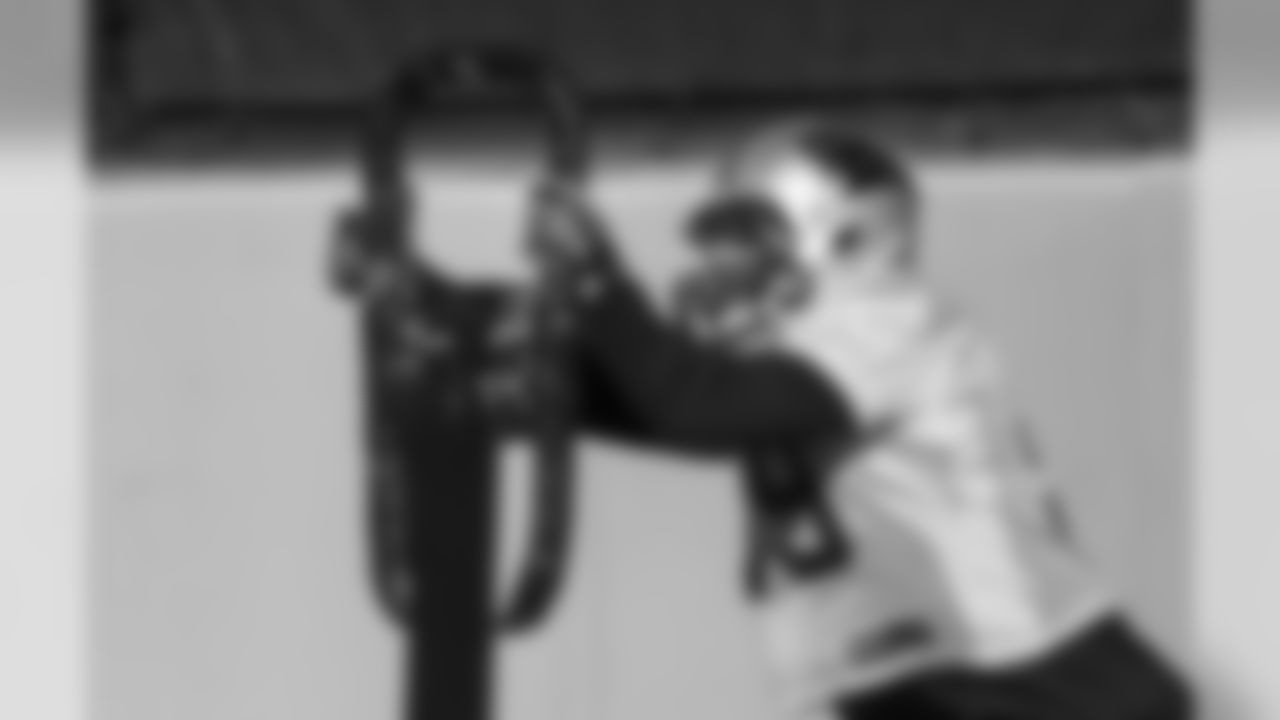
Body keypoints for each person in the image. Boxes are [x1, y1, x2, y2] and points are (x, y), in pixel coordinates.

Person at [338, 120, 1193, 720]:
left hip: (1048, 689)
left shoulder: (894, 319)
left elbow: (695, 404)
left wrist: (599, 284)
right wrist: (444, 305)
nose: (725, 265)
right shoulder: (796, 365)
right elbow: (660, 401)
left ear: (848, 239)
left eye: (753, 238)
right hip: (935, 693)